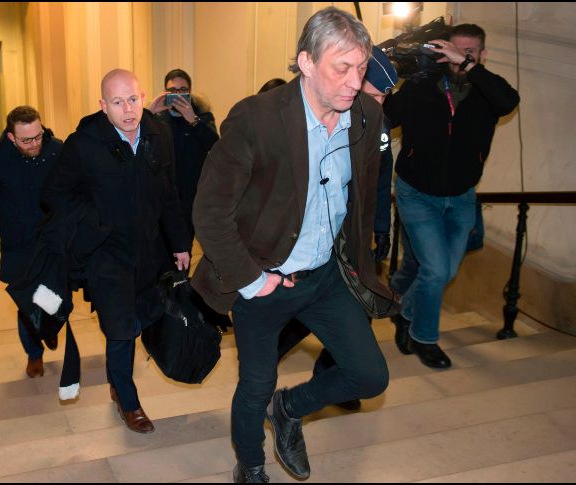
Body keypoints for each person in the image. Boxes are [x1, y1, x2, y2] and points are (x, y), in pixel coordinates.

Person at [192, 8, 395, 482]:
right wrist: (251, 280)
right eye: (340, 68)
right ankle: (252, 464)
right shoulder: (256, 119)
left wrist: (358, 262)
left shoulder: (366, 115)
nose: (353, 81)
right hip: (263, 277)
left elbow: (361, 196)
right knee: (256, 383)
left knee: (370, 376)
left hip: (325, 277)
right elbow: (210, 211)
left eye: (361, 68)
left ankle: (289, 408)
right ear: (305, 62)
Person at [42, 69, 191, 434]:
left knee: (144, 316)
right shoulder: (84, 143)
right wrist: (94, 223)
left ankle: (117, 374)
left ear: (143, 98)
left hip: (150, 251)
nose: (128, 109)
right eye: (118, 102)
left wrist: (181, 242)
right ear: (103, 105)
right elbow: (53, 194)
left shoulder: (158, 134)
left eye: (133, 100)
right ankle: (128, 400)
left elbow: (169, 193)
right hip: (106, 255)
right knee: (121, 328)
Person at [385, 23, 519, 369]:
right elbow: (387, 115)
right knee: (434, 269)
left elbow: (509, 101)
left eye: (469, 52)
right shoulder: (423, 85)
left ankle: (405, 313)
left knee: (442, 272)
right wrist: (400, 76)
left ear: (482, 55)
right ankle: (424, 339)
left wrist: (472, 67)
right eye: (454, 51)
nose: (459, 58)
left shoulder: (488, 91)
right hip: (416, 193)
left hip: (461, 195)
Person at [275, 45, 400, 413]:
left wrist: (380, 228)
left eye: (385, 95)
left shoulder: (377, 122)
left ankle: (333, 375)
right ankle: (266, 356)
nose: (380, 102)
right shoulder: (317, 112)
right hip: (315, 237)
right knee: (300, 309)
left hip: (352, 237)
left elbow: (380, 178)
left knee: (354, 308)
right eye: (375, 93)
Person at [0, 106, 63, 378]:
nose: (34, 144)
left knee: (56, 297)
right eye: (26, 140)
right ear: (11, 137)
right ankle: (34, 354)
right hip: (18, 247)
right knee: (26, 305)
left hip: (53, 243)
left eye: (38, 136)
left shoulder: (57, 150)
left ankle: (49, 324)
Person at [148, 68, 219, 240]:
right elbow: (143, 147)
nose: (177, 95)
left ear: (190, 92)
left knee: (184, 246)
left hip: (191, 195)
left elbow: (215, 145)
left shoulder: (202, 115)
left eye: (182, 91)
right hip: (163, 194)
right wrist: (149, 114)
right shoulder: (159, 117)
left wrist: (193, 120)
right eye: (172, 91)